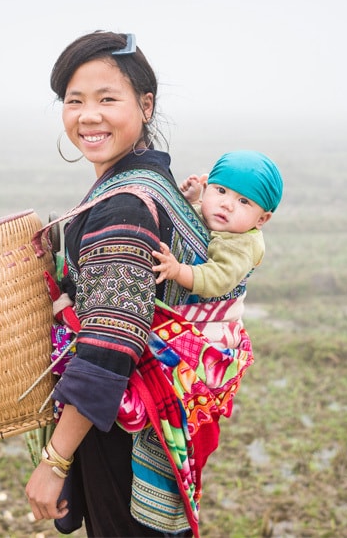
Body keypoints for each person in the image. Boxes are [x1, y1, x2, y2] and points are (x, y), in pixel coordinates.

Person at [25, 30, 233, 538]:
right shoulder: (156, 182)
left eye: (106, 99)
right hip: (158, 429)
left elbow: (110, 343)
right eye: (74, 101)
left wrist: (54, 461)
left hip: (123, 436)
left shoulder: (123, 204)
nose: (88, 116)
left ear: (145, 104)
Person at [152, 150, 283, 300]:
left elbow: (218, 279)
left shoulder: (242, 245)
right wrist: (192, 202)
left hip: (209, 320)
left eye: (244, 201)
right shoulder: (216, 216)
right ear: (206, 189)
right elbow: (201, 220)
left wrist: (178, 271)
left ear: (261, 219)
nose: (227, 205)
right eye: (221, 190)